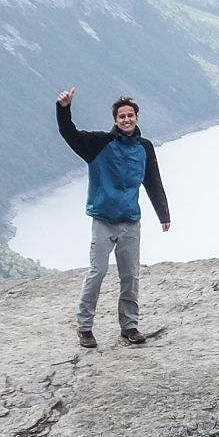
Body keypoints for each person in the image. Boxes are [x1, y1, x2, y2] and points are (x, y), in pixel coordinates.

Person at [56, 88, 172, 347]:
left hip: (130, 220)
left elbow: (152, 180)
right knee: (97, 273)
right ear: (115, 120)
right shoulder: (99, 144)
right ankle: (85, 327)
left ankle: (129, 327)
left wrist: (163, 213)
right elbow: (69, 133)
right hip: (103, 220)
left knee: (130, 275)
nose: (126, 120)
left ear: (137, 118)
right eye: (122, 116)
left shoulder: (145, 147)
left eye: (130, 115)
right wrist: (64, 108)